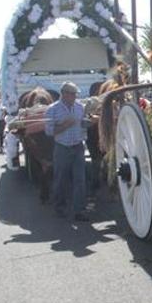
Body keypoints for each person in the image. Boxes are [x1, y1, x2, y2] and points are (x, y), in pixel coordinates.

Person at [45, 81, 89, 221]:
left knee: (80, 180)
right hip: (62, 148)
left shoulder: (79, 107)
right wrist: (64, 125)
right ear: (64, 94)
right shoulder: (52, 110)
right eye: (73, 94)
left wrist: (88, 123)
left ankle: (79, 211)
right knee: (60, 179)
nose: (75, 97)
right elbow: (49, 131)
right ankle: (59, 207)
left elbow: (82, 123)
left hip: (77, 147)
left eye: (75, 94)